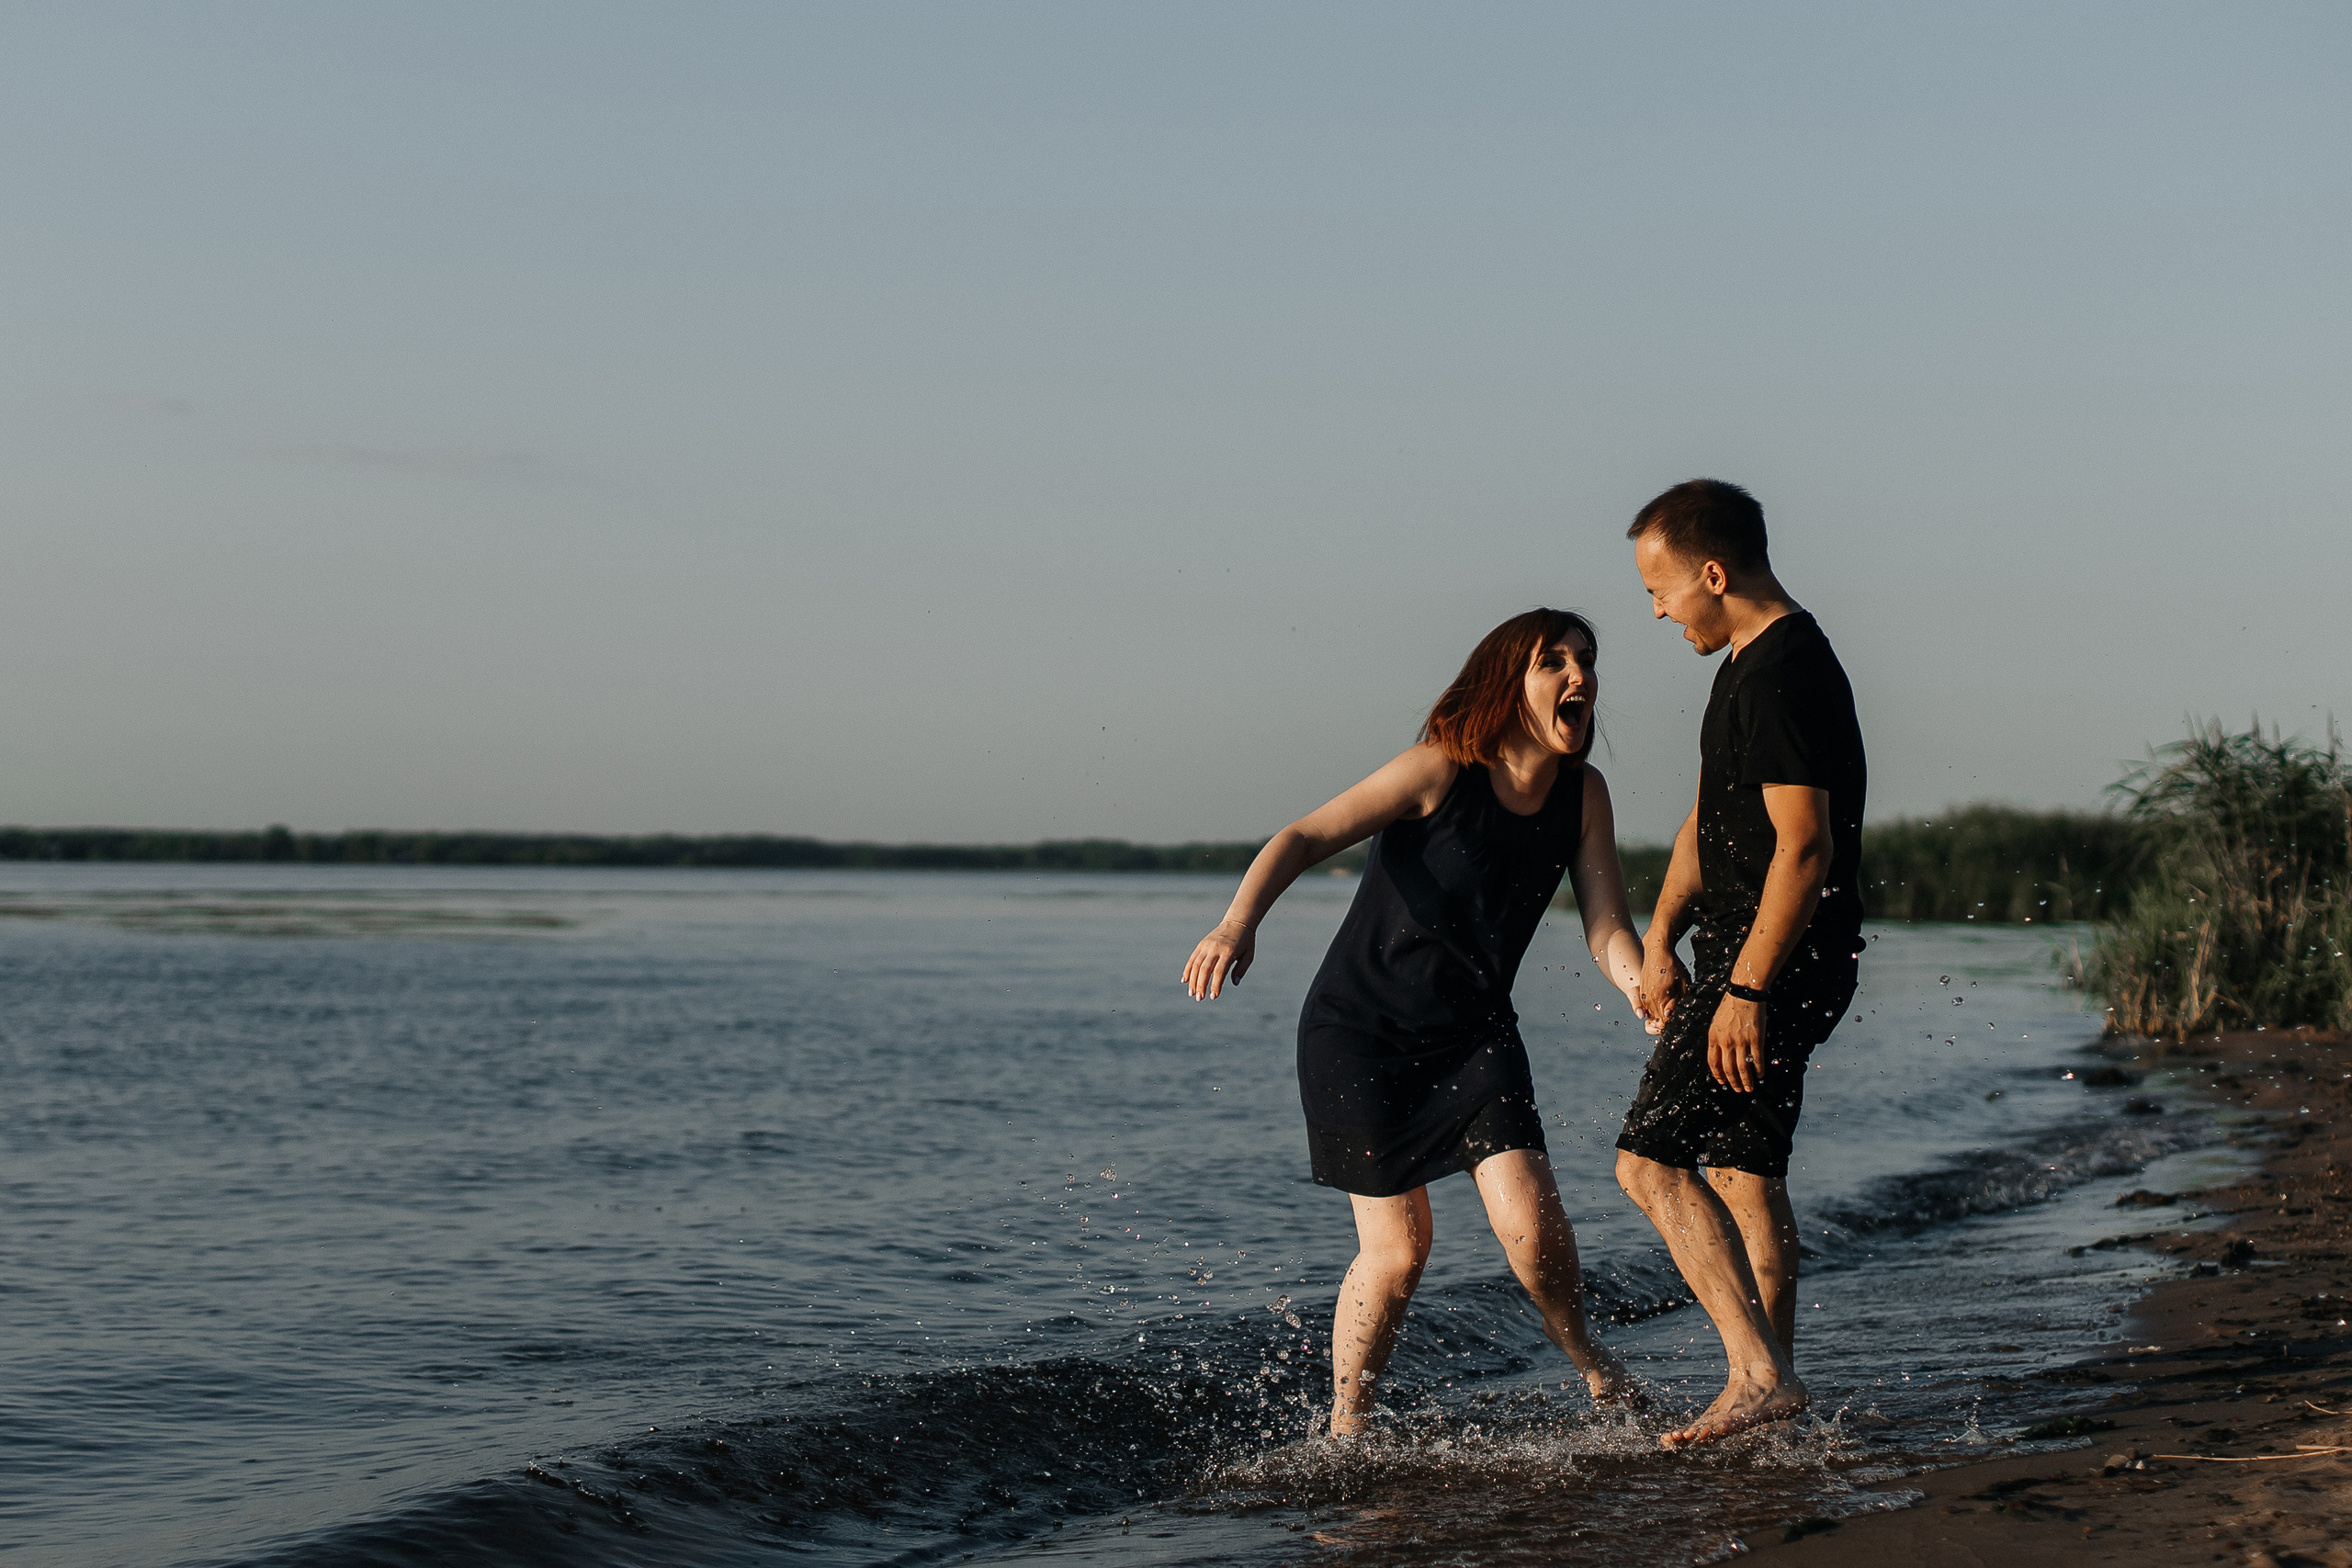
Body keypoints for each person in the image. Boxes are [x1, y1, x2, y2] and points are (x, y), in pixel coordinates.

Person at [1182, 608, 1647, 1437]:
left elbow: (1606, 924)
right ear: (1511, 685)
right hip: (1360, 1033)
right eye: (1555, 662)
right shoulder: (1441, 769)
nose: (1581, 676)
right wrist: (1234, 922)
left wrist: (1642, 981)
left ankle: (1594, 1367)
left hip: (1474, 1036)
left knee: (1533, 1230)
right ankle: (1347, 1426)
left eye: (1587, 660)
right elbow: (1304, 834)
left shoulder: (1584, 796)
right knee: (1398, 1254)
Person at [1610, 479, 1867, 1450]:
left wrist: (1745, 990)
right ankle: (1779, 1388)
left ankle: (1757, 1375)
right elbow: (1707, 820)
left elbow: (1804, 849)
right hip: (1743, 957)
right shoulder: (1744, 668)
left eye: (1660, 589)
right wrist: (1661, 936)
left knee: (1646, 1165)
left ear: (1712, 574)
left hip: (1774, 964)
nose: (1657, 609)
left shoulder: (1786, 672)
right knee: (1743, 1171)